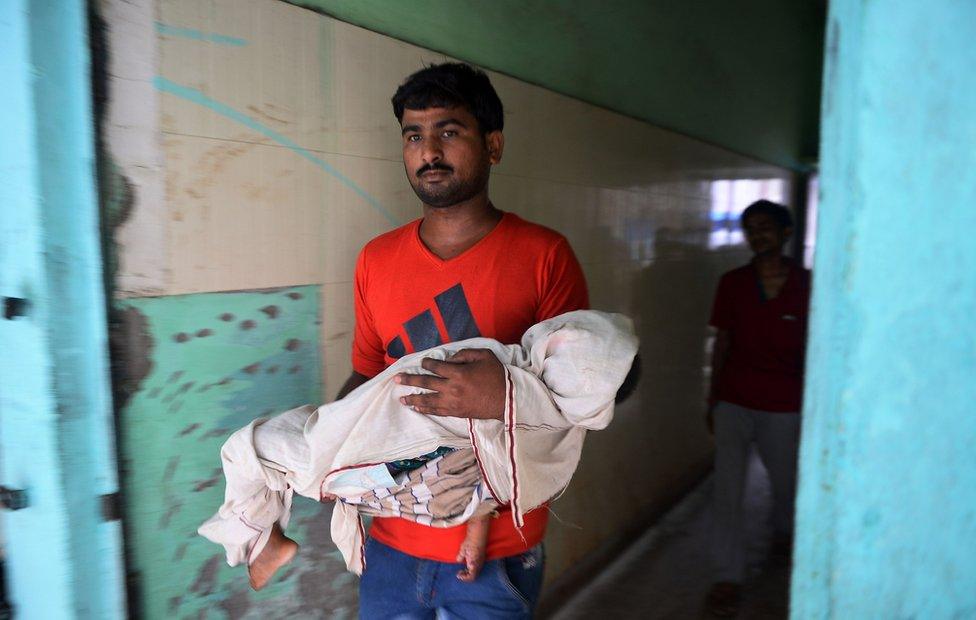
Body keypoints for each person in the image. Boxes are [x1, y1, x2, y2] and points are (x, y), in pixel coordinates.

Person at [336, 62, 589, 618]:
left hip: (499, 554)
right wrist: (327, 447)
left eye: (449, 132)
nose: (429, 151)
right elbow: (365, 376)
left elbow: (582, 396)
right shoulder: (376, 260)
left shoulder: (544, 256)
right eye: (413, 135)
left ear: (493, 145)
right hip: (393, 545)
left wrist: (500, 395)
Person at [196, 310, 638, 598]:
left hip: (403, 472)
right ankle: (267, 536)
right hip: (428, 497)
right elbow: (496, 468)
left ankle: (258, 541)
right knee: (300, 465)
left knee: (248, 449)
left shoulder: (499, 368)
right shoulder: (553, 427)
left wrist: (341, 443)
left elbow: (412, 394)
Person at [704, 200, 811, 617]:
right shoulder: (733, 282)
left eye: (765, 226)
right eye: (750, 228)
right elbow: (722, 342)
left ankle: (784, 533)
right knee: (728, 489)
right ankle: (727, 575)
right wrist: (712, 399)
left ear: (786, 232)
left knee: (786, 482)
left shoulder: (807, 285)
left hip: (786, 403)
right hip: (734, 400)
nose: (757, 234)